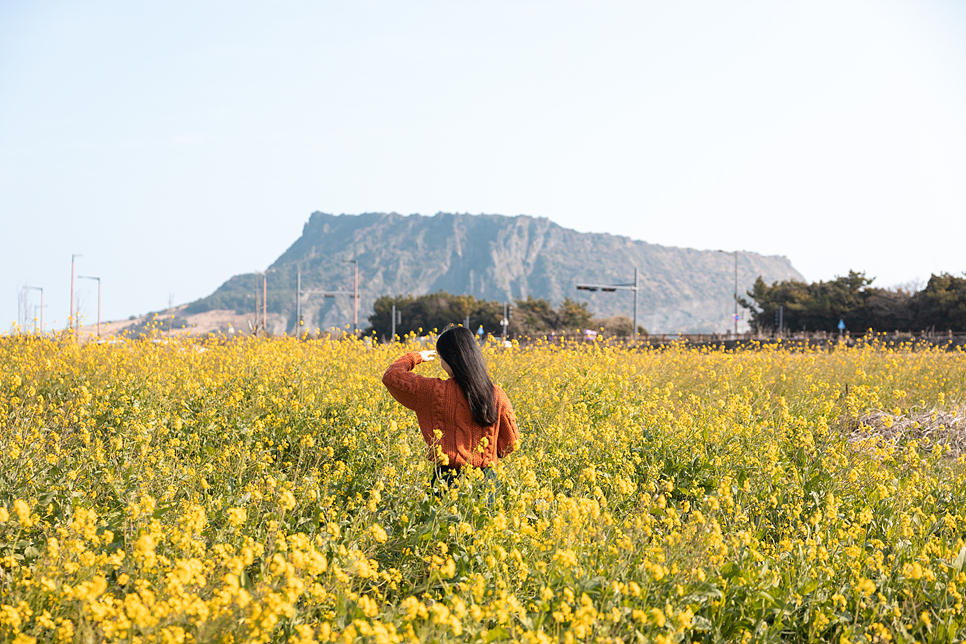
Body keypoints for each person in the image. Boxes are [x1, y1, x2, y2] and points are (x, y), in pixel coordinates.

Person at [382, 326, 520, 492]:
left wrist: (416, 357)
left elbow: (391, 376)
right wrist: (485, 455)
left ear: (449, 358)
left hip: (446, 480)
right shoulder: (497, 395)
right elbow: (511, 442)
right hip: (485, 483)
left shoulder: (434, 391)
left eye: (441, 356)